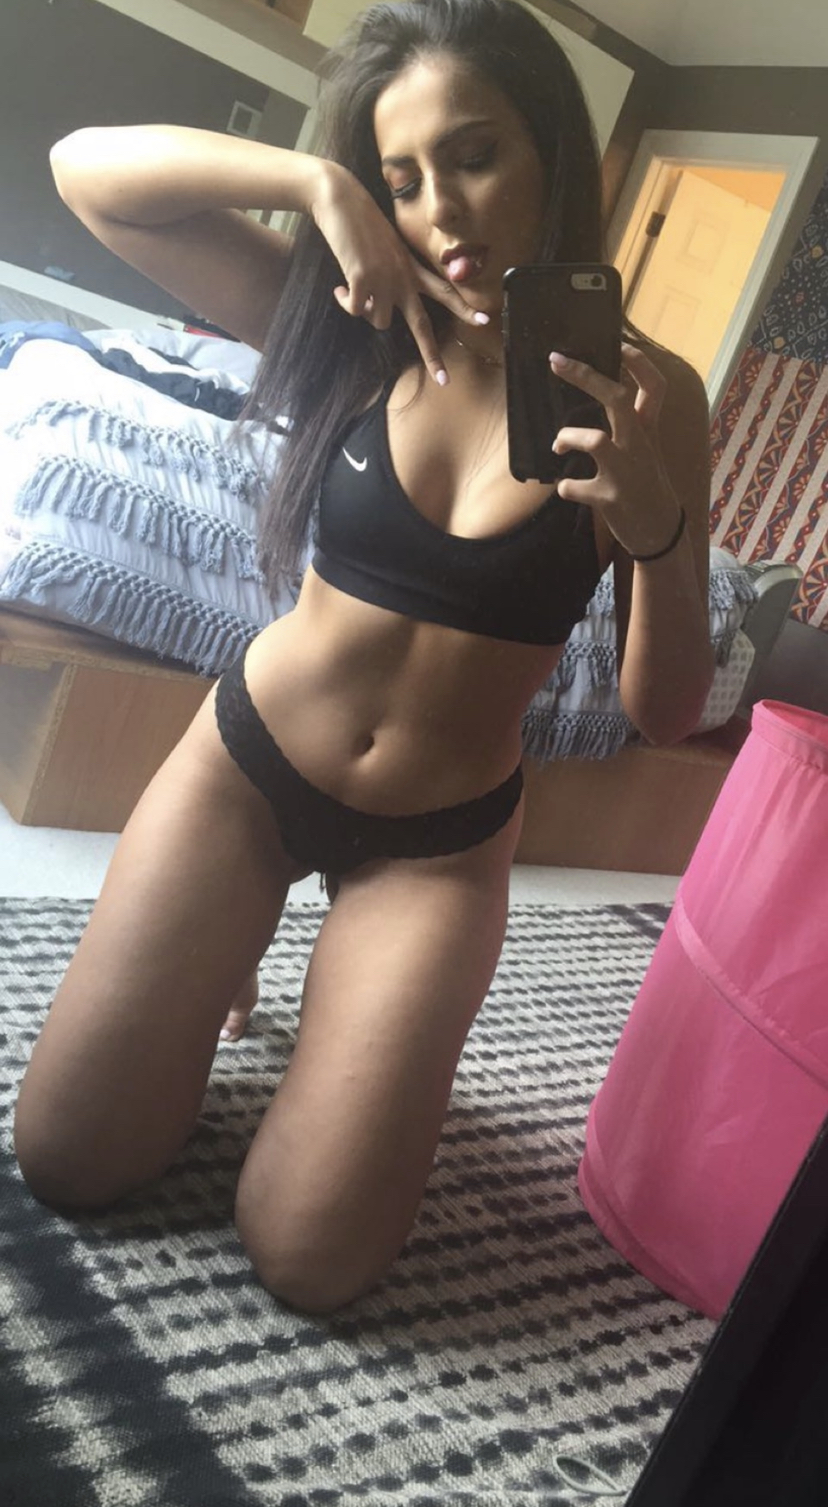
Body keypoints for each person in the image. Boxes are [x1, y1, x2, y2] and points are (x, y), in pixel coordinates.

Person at [13, 0, 715, 1313]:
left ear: (553, 156)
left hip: (437, 850)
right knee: (69, 1159)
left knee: (315, 1263)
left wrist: (661, 534)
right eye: (403, 177)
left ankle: (327, 1020)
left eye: (474, 157)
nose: (441, 211)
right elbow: (85, 172)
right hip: (249, 774)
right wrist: (314, 185)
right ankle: (224, 935)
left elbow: (666, 711)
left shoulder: (654, 399)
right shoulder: (355, 314)